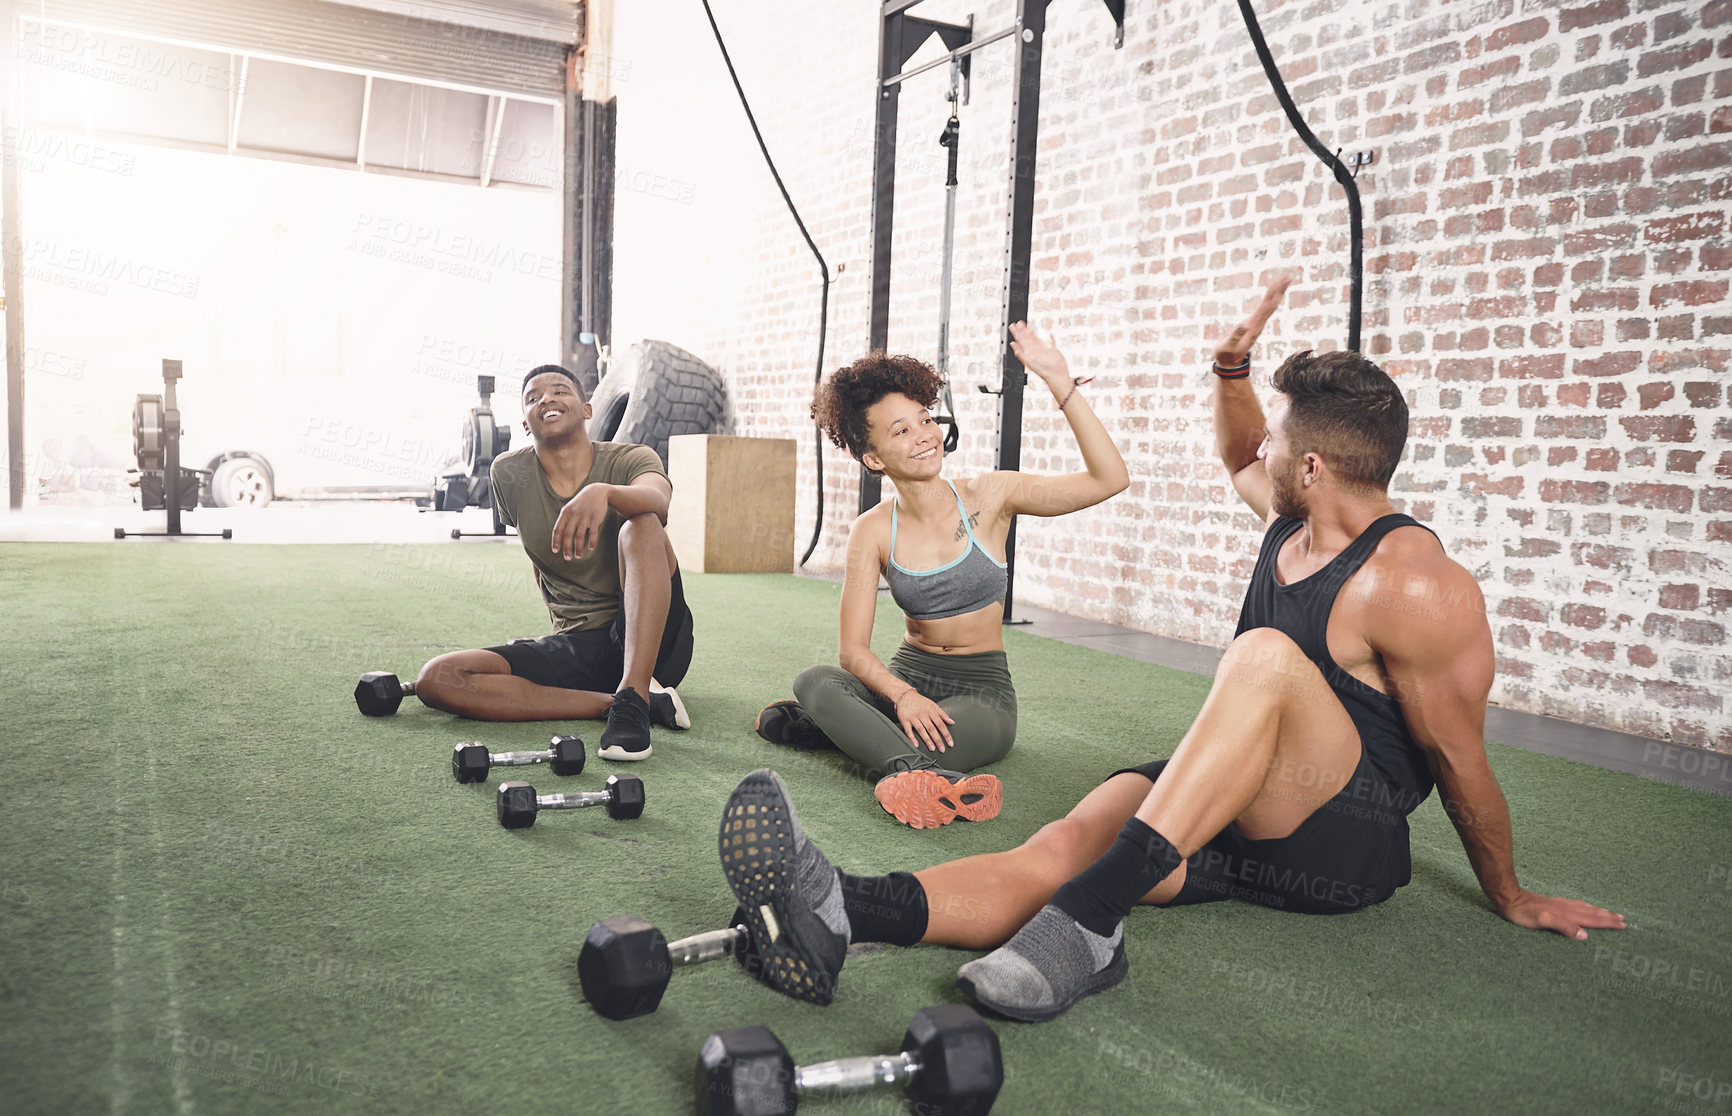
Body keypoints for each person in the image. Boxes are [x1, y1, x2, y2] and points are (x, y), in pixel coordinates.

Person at [714, 281, 1626, 1018]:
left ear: (1310, 466)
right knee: (1064, 839)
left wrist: (1509, 892)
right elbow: (1240, 452)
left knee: (1264, 654)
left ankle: (1093, 920)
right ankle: (843, 908)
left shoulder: (1414, 581)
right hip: (1226, 794)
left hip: (1341, 836)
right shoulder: (1290, 513)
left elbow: (1460, 759)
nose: (1255, 447)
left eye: (1276, 438)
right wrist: (1232, 366)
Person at [755, 324, 1129, 828]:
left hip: (982, 692)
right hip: (905, 679)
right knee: (816, 680)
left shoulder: (991, 496)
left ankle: (854, 740)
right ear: (873, 458)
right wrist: (904, 696)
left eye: (924, 419)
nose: (925, 436)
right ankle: (922, 777)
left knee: (944, 744)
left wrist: (1062, 386)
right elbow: (854, 653)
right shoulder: (872, 531)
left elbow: (1110, 478)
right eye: (901, 431)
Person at [411, 364, 693, 761]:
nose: (547, 398)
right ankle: (616, 703)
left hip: (658, 640)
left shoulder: (631, 459)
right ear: (526, 423)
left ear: (587, 409)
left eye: (560, 390)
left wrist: (603, 493)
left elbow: (659, 502)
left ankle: (634, 697)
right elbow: (538, 555)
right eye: (533, 397)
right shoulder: (508, 474)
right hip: (580, 644)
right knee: (438, 678)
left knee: (642, 525)